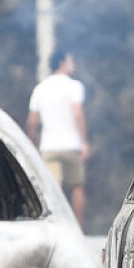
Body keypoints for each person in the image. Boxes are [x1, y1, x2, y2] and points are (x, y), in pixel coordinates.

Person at [27, 51, 89, 223]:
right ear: (62, 63)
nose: (73, 64)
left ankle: (57, 225)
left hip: (49, 147)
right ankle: (78, 227)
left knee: (53, 189)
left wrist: (30, 144)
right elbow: (77, 114)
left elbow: (32, 122)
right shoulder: (74, 86)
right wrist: (84, 141)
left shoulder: (40, 88)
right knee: (77, 186)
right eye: (70, 61)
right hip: (71, 145)